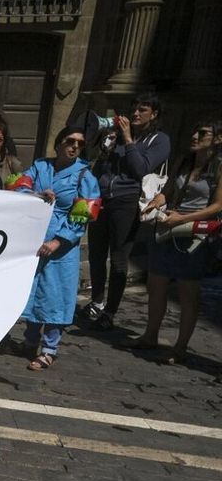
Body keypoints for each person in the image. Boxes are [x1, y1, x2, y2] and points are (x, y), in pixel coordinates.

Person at [131, 120, 222, 364]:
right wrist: (156, 202)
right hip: (168, 227)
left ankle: (181, 346)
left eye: (202, 133)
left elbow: (217, 206)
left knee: (187, 292)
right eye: (194, 130)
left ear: (217, 139)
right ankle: (150, 335)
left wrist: (184, 218)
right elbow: (168, 191)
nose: (194, 135)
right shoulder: (184, 161)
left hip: (194, 234)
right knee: (156, 284)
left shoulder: (219, 168)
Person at [82, 92, 172, 331]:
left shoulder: (159, 140)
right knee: (96, 254)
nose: (135, 113)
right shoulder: (118, 137)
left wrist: (129, 140)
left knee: (119, 258)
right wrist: (107, 143)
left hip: (127, 202)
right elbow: (100, 163)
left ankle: (110, 311)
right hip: (102, 199)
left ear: (154, 114)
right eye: (134, 108)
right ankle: (96, 301)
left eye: (143, 110)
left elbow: (140, 168)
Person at [13, 127, 100, 370]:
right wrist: (35, 193)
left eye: (80, 144)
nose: (74, 147)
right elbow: (16, 185)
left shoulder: (84, 177)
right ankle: (29, 341)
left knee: (55, 295)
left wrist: (58, 241)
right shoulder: (41, 166)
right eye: (70, 141)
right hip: (35, 240)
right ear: (59, 142)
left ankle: (49, 348)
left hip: (62, 248)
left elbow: (84, 216)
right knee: (33, 291)